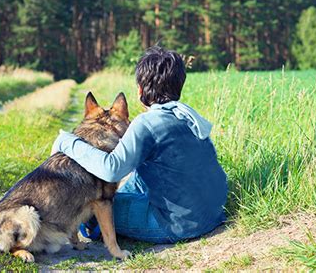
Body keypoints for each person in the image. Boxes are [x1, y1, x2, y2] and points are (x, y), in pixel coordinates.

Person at [51, 46, 227, 244]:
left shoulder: (146, 123)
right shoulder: (187, 115)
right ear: (179, 85)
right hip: (213, 213)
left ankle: (103, 230)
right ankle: (126, 206)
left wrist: (69, 142)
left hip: (177, 225)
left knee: (91, 211)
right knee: (139, 172)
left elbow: (111, 169)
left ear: (140, 90)